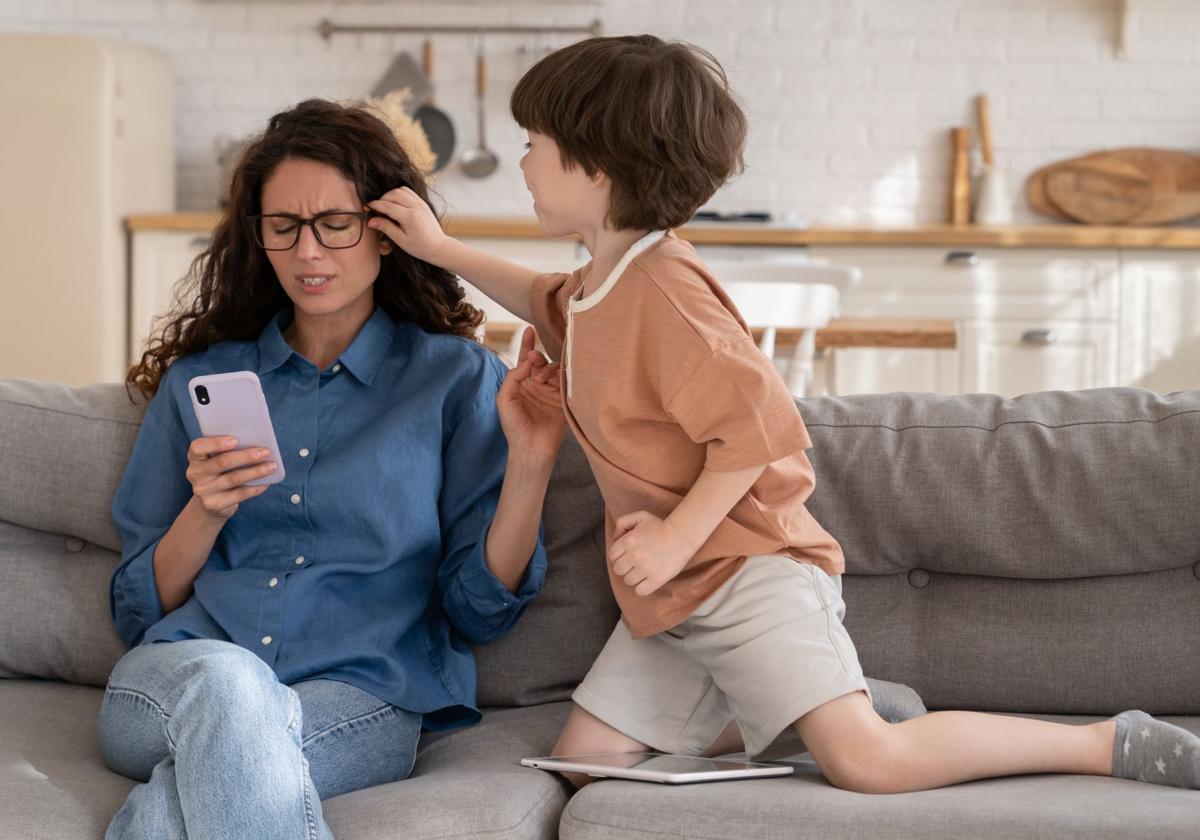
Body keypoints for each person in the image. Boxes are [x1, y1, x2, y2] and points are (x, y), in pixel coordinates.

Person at [370, 35, 1200, 794]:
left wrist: (673, 537)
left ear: (594, 168)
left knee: (867, 764)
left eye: (532, 147)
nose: (521, 164)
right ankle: (815, 702)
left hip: (747, 571)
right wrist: (439, 250)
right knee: (586, 761)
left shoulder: (663, 286)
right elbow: (542, 300)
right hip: (676, 600)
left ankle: (1103, 742)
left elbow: (761, 432)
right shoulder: (598, 285)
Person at [101, 98, 566, 839]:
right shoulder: (202, 381)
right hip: (175, 682)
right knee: (229, 684)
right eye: (283, 227)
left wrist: (535, 459)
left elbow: (478, 608)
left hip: (363, 693)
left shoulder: (454, 380)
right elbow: (137, 609)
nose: (307, 253)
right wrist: (208, 510)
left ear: (385, 232)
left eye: (334, 224)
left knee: (169, 809)